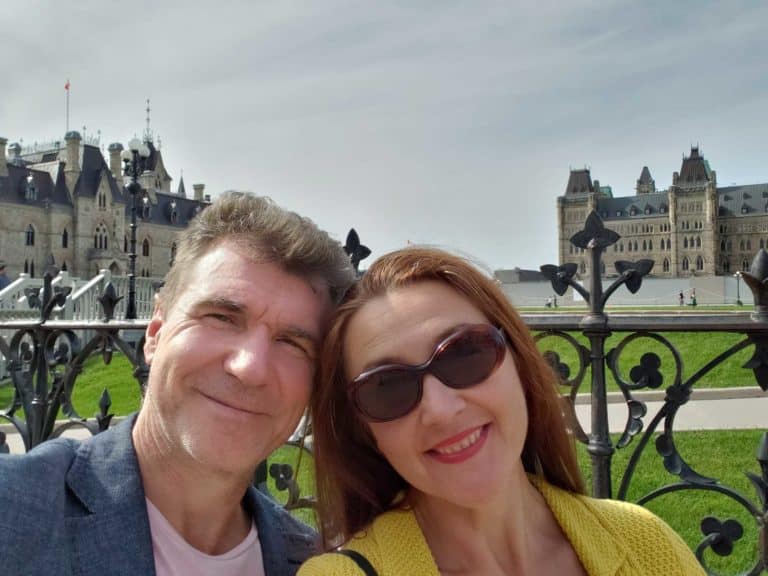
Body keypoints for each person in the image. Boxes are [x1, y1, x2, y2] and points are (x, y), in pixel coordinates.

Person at [0, 192, 356, 576]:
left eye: (292, 342)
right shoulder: (14, 512)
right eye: (221, 317)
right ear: (155, 332)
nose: (249, 367)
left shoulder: (314, 566)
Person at [299, 247, 705, 576]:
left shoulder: (644, 542)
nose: (440, 409)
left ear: (519, 361)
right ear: (366, 431)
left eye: (464, 354)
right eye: (386, 387)